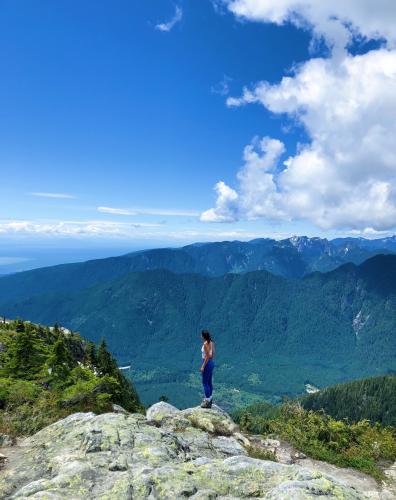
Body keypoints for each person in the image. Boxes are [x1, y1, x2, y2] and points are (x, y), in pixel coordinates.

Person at [200, 329, 215, 408]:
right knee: (209, 382)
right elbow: (212, 355)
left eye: (201, 335)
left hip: (206, 363)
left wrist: (203, 366)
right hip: (211, 363)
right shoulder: (212, 343)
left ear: (203, 336)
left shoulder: (205, 344)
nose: (200, 336)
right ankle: (210, 398)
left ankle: (207, 401)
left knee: (205, 383)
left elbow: (207, 356)